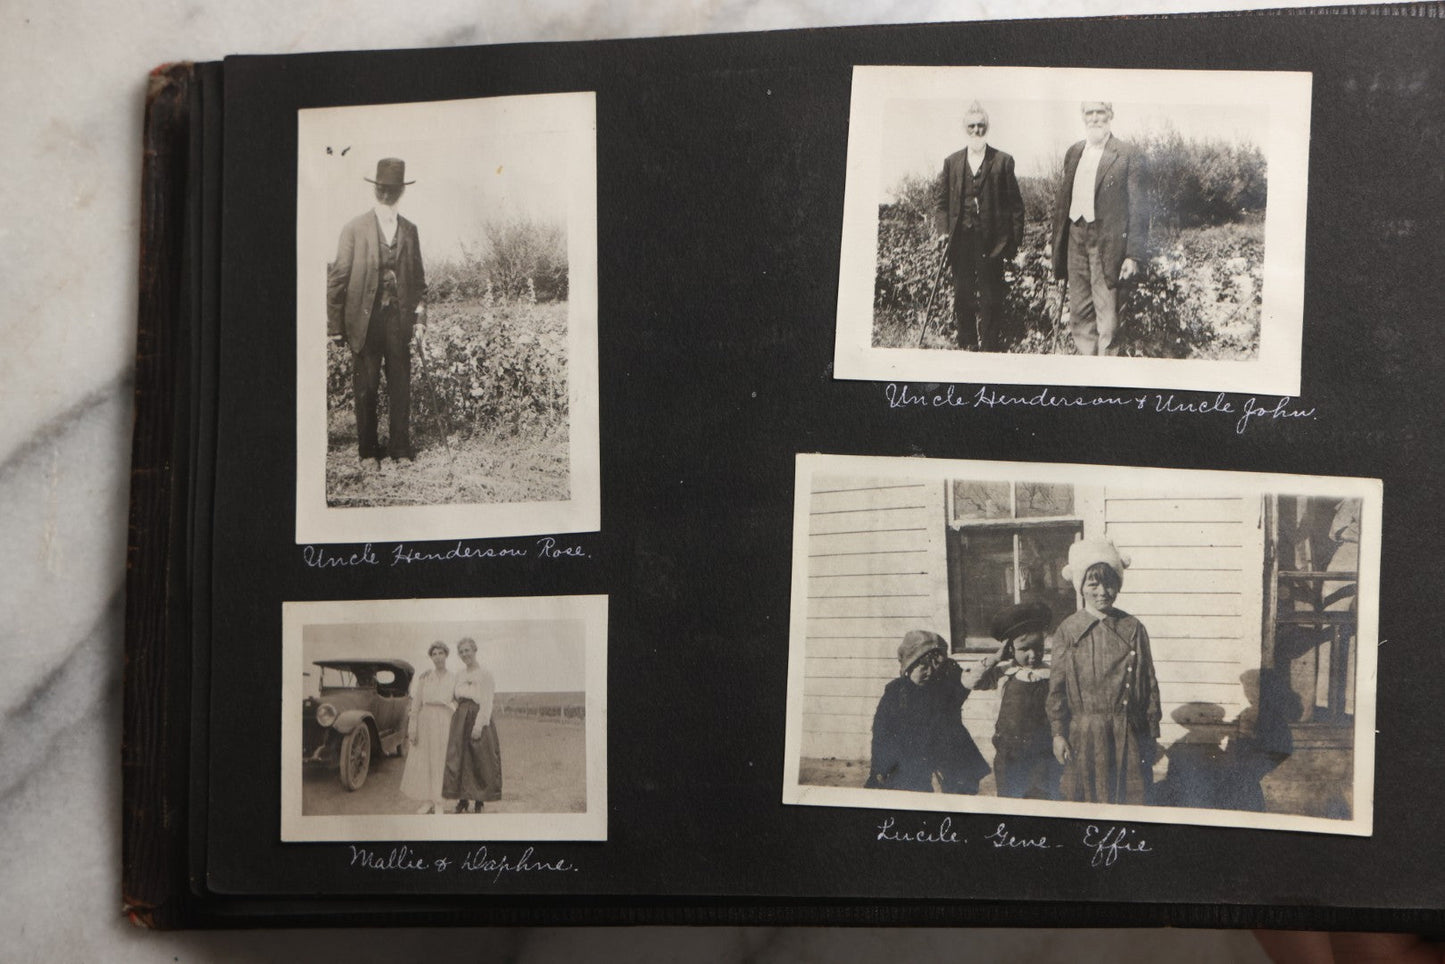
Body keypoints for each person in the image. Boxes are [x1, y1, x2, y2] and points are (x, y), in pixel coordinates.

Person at [326, 157, 428, 466]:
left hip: (399, 322)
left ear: (400, 192)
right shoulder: (353, 229)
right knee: (366, 387)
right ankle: (368, 451)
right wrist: (335, 327)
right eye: (383, 189)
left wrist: (420, 319)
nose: (387, 194)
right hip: (364, 322)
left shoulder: (410, 231)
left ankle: (399, 448)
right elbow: (338, 279)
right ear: (376, 191)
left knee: (400, 385)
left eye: (391, 189)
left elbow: (420, 281)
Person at [1046, 540, 1161, 804]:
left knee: (1128, 800)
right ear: (1080, 586)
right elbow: (1057, 689)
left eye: (1109, 583)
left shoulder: (1133, 628)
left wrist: (1151, 732)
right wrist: (1058, 733)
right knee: (1087, 799)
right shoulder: (1069, 630)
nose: (1102, 592)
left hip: (1128, 730)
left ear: (1118, 585)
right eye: (1093, 584)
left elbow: (1149, 683)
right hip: (1084, 732)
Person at [1049, 102, 1149, 356]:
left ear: (1110, 115)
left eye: (1100, 112)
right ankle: (1087, 370)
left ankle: (1106, 376)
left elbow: (1139, 208)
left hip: (1108, 243)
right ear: (1083, 116)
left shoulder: (1127, 154)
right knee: (1080, 313)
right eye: (1089, 113)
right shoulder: (1074, 152)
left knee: (1109, 318)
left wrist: (1133, 254)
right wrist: (1057, 243)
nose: (1094, 118)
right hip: (1075, 236)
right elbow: (1064, 200)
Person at [933, 101, 1025, 352]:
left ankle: (990, 346)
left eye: (980, 125)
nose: (976, 130)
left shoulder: (1003, 161)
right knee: (963, 293)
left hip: (992, 241)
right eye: (972, 126)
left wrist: (1013, 243)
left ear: (987, 127)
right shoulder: (952, 162)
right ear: (965, 128)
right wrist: (942, 233)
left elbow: (1016, 205)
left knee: (991, 294)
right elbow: (941, 204)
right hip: (960, 238)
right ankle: (968, 343)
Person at [865, 629, 999, 794]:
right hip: (911, 760)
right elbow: (882, 732)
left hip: (947, 756)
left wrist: (994, 659)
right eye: (923, 667)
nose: (929, 672)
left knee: (959, 790)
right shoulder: (896, 692)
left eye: (934, 667)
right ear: (909, 666)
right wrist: (881, 767)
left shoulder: (944, 687)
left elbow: (968, 680)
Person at [974, 601, 1059, 799]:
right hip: (1009, 754)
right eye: (1024, 649)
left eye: (1038, 648)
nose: (1033, 655)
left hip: (1042, 753)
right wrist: (996, 658)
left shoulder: (1051, 673)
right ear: (1011, 649)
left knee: (1041, 797)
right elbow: (972, 682)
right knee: (1010, 797)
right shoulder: (1005, 672)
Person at [443, 637, 502, 812]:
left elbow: (487, 702)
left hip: (478, 718)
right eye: (461, 652)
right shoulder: (459, 675)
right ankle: (462, 800)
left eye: (467, 650)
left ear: (475, 650)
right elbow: (452, 696)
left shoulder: (485, 674)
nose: (464, 654)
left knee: (479, 758)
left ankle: (479, 801)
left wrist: (479, 725)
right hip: (460, 718)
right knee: (459, 759)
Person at [398, 641, 454, 814]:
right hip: (425, 720)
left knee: (439, 759)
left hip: (444, 720)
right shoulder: (425, 677)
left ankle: (439, 802)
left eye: (440, 653)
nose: (437, 657)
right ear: (431, 657)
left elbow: (458, 699)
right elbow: (416, 704)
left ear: (446, 655)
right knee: (425, 761)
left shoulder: (453, 677)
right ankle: (428, 800)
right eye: (434, 654)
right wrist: (412, 728)